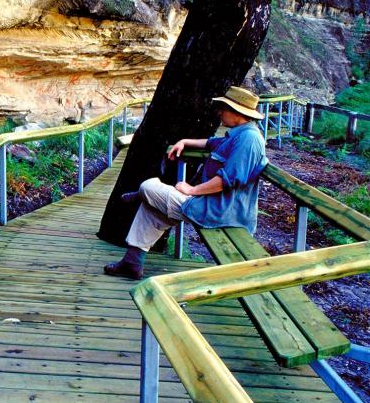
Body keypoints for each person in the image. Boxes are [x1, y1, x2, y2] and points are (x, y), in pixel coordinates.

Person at [104, 86, 269, 280]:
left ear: (237, 112)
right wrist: (184, 141)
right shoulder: (239, 133)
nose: (219, 112)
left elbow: (227, 181)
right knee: (151, 206)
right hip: (211, 204)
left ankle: (140, 193)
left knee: (148, 186)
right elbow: (210, 143)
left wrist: (192, 189)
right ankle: (132, 264)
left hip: (218, 211)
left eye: (223, 108)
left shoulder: (248, 139)